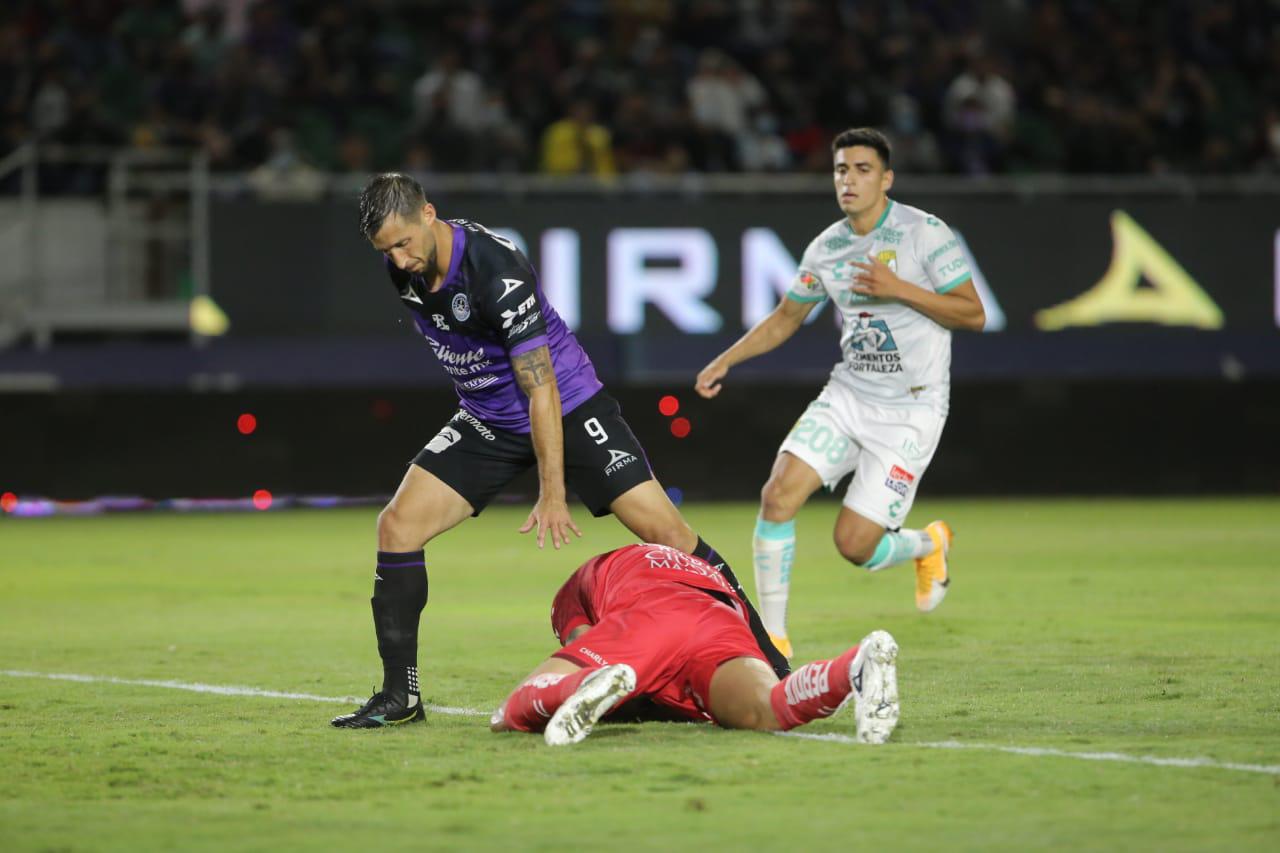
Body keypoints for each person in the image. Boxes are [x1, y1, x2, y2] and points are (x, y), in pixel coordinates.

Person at [332, 173, 787, 728]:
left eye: (404, 243)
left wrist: (552, 492)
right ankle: (400, 697)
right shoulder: (399, 268)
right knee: (397, 526)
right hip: (487, 421)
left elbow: (540, 386)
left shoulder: (495, 269)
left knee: (669, 535)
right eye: (386, 250)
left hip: (569, 409)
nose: (399, 260)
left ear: (429, 214)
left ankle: (770, 663)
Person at [695, 127, 986, 657]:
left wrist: (898, 288)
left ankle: (929, 544)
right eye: (840, 170)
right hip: (849, 395)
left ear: (887, 178)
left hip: (912, 410)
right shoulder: (826, 248)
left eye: (862, 170)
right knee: (778, 495)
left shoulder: (925, 234)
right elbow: (787, 318)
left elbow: (973, 313)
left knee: (854, 546)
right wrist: (726, 360)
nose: (849, 180)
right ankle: (773, 642)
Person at [490, 543, 900, 746]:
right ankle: (853, 667)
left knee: (509, 713)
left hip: (650, 617)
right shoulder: (688, 564)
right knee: (766, 707)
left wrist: (592, 678)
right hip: (720, 619)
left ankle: (576, 689)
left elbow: (585, 643)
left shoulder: (576, 588)